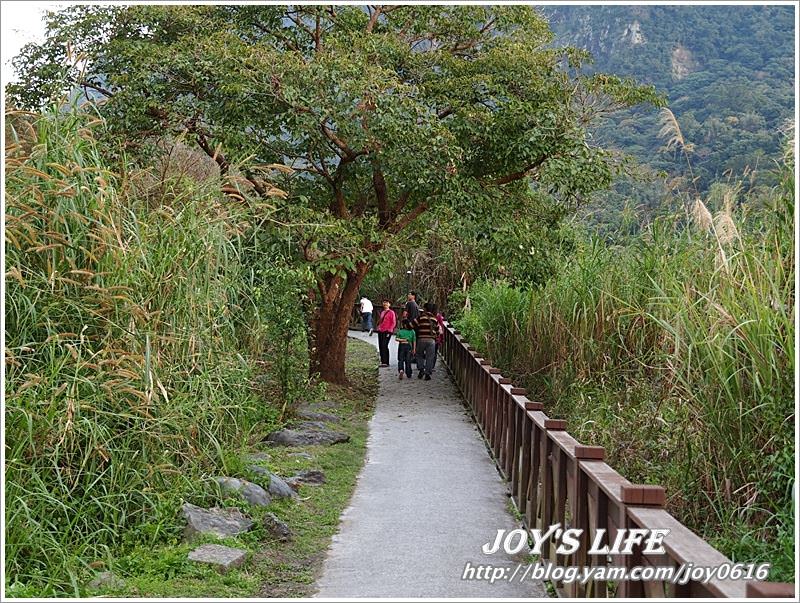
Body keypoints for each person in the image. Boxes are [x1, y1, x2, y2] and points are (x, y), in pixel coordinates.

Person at [411, 302, 439, 380]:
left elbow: (412, 325)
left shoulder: (421, 317)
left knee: (419, 354)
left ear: (425, 309)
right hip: (431, 340)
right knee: (430, 357)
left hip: (421, 339)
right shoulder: (434, 319)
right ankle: (427, 373)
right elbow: (437, 331)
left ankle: (421, 369)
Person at [375, 299, 396, 367]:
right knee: (381, 346)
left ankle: (386, 362)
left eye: (387, 303)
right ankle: (382, 361)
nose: (385, 304)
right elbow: (381, 321)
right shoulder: (382, 312)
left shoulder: (391, 312)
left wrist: (390, 330)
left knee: (384, 345)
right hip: (381, 330)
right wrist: (378, 327)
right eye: (384, 302)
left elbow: (393, 322)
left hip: (387, 331)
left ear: (389, 304)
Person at [395, 315, 416, 380]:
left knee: (400, 359)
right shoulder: (412, 331)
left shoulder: (400, 331)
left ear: (404, 325)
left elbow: (396, 339)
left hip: (401, 346)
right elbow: (414, 341)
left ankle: (401, 370)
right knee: (408, 360)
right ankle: (408, 373)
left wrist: (402, 340)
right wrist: (414, 349)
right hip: (408, 346)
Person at [432, 304, 445, 371]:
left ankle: (427, 365)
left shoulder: (428, 316)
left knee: (429, 352)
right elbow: (441, 327)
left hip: (429, 336)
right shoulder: (438, 316)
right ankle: (432, 366)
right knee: (434, 352)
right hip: (436, 337)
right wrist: (442, 339)